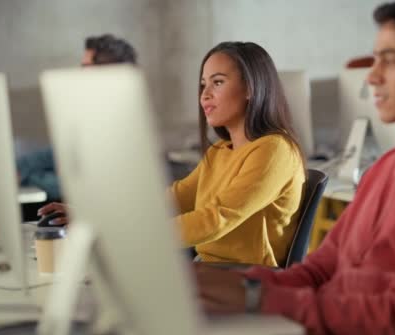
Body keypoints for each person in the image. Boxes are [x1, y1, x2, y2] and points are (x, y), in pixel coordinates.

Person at [194, 1, 395, 335]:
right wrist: (237, 285)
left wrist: (257, 299)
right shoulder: (392, 164)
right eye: (375, 60)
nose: (373, 77)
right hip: (335, 327)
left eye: (390, 61)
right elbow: (322, 270)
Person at [40, 41, 306, 267]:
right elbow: (174, 199)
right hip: (208, 271)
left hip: (248, 280)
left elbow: (216, 218)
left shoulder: (275, 150)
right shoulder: (220, 152)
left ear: (251, 88)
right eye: (203, 85)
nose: (205, 95)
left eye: (218, 82)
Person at [0, 34, 137, 202]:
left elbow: (82, 187)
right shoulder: (93, 114)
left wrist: (19, 175)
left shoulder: (121, 126)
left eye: (86, 67)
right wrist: (1, 169)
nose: (80, 73)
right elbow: (55, 155)